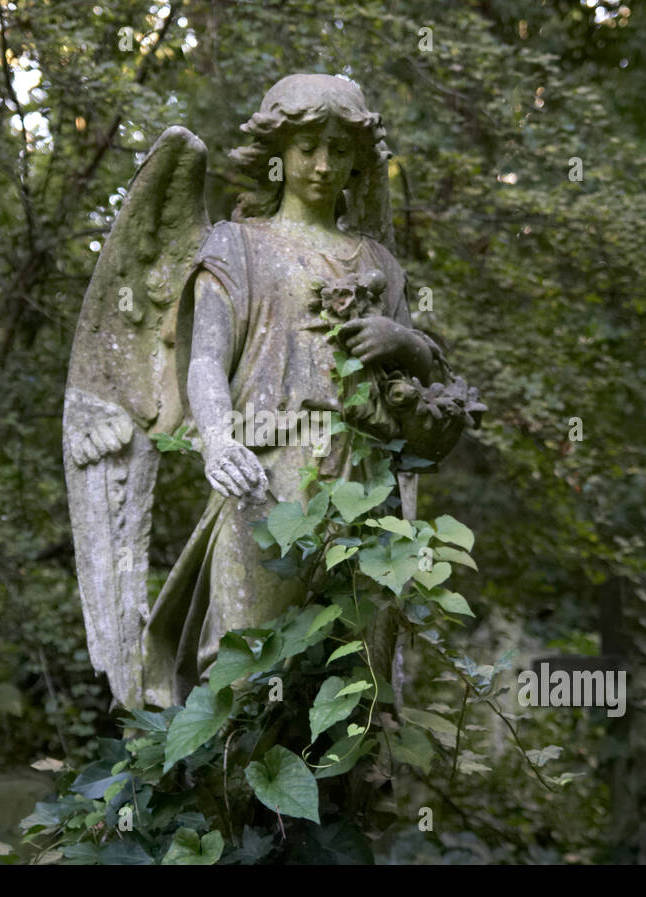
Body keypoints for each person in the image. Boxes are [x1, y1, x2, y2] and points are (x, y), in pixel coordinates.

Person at [143, 74, 441, 704]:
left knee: (359, 688)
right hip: (266, 477)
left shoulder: (379, 265)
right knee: (244, 674)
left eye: (340, 148)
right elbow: (204, 363)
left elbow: (429, 392)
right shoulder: (238, 246)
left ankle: (346, 802)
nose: (323, 164)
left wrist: (405, 342)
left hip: (366, 488)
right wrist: (219, 443)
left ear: (361, 160)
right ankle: (235, 797)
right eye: (307, 147)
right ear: (277, 154)